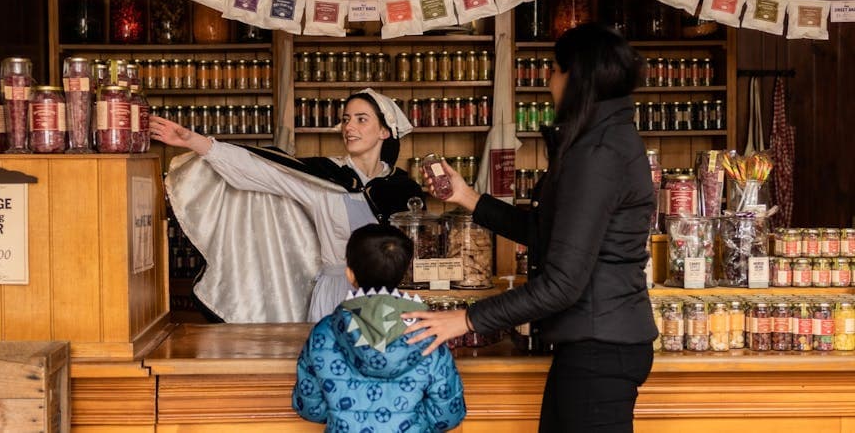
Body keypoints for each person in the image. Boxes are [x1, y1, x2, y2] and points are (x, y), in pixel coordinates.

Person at [404, 22, 658, 433]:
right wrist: (468, 198)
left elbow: (563, 283)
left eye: (555, 69)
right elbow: (551, 234)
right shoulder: (602, 141)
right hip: (597, 343)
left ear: (577, 77)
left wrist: (466, 319)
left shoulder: (597, 154)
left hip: (600, 348)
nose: (547, 80)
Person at [150, 88, 426, 323]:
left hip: (392, 295)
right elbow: (260, 170)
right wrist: (194, 141)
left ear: (385, 131)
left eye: (361, 120)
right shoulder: (322, 178)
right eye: (346, 119)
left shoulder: (403, 188)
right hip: (337, 292)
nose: (349, 127)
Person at [292, 224, 466, 432]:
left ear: (349, 273)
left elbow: (311, 408)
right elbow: (447, 416)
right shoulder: (428, 332)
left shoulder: (324, 333)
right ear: (405, 272)